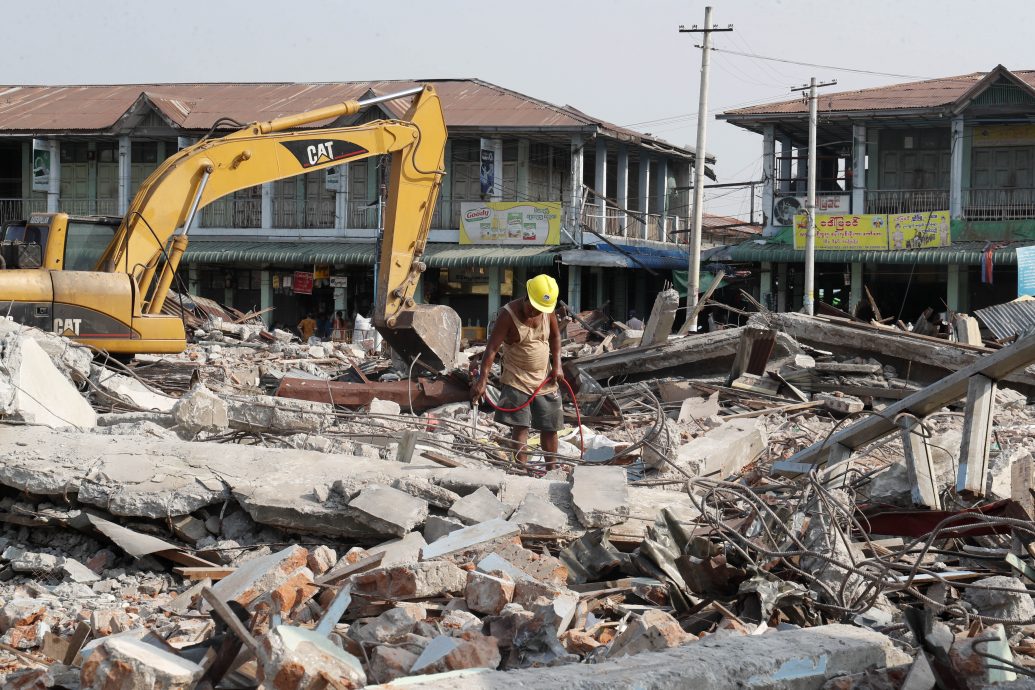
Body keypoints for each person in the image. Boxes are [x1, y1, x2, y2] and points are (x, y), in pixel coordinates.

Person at [471, 274, 565, 469]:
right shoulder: (508, 315)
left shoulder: (547, 311)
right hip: (517, 378)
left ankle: (552, 470)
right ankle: (521, 470)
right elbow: (492, 349)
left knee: (550, 427)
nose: (535, 311)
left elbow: (555, 337)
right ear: (527, 296)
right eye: (533, 307)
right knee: (520, 426)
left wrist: (557, 365)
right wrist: (482, 380)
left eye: (540, 309)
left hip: (544, 378)